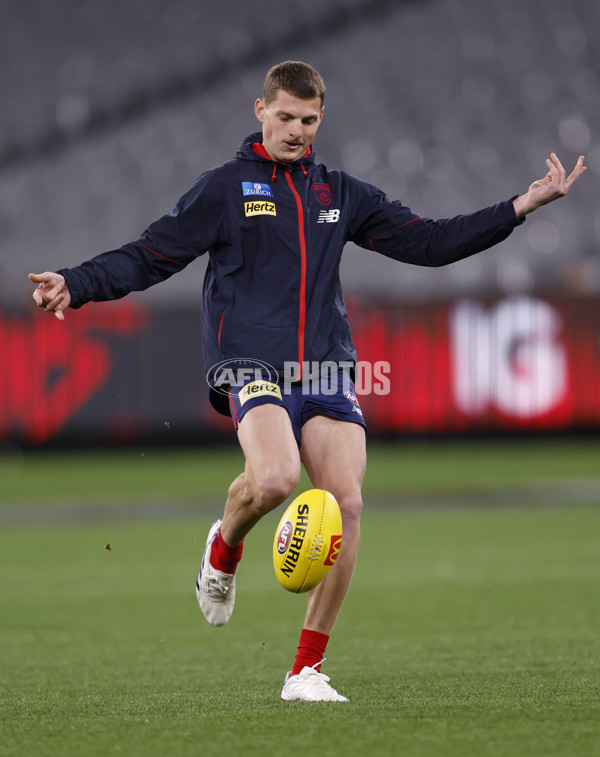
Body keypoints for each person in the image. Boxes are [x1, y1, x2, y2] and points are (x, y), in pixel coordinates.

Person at [29, 61, 587, 702]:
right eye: (286, 116)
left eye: (309, 120)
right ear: (259, 110)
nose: (297, 130)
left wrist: (522, 206)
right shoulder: (225, 188)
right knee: (273, 480)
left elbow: (430, 244)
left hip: (325, 366)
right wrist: (78, 281)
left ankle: (306, 671)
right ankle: (225, 545)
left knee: (345, 506)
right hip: (253, 364)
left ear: (321, 119)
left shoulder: (339, 193)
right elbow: (152, 253)